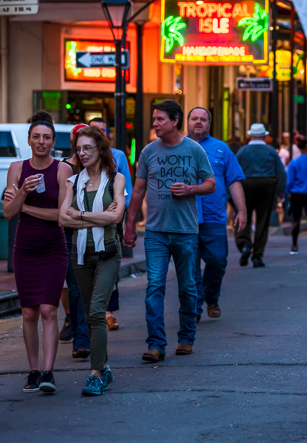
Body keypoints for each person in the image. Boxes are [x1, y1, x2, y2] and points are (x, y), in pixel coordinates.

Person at [124, 100, 215, 362]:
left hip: (186, 231)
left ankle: (186, 337)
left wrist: (190, 189)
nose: (155, 124)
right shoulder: (148, 151)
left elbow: (210, 183)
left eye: (160, 119)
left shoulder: (194, 150)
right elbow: (139, 190)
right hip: (155, 232)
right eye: (154, 119)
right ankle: (156, 344)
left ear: (175, 121)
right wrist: (130, 225)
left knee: (187, 287)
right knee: (154, 286)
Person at [3, 112, 73, 394]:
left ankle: (48, 372)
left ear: (53, 142)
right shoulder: (17, 168)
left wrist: (25, 206)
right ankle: (33, 371)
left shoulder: (62, 170)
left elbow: (62, 216)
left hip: (54, 248)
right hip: (25, 248)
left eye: (46, 137)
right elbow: (8, 213)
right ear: (29, 140)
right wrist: (22, 193)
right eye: (36, 137)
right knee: (29, 312)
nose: (41, 141)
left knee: (48, 309)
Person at [58, 126, 126, 396]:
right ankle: (105, 366)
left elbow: (116, 217)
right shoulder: (73, 182)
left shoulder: (116, 179)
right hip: (80, 253)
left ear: (100, 149)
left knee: (97, 311)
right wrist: (96, 216)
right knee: (89, 314)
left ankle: (95, 373)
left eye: (88, 148)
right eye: (79, 148)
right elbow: (63, 218)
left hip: (108, 250)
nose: (82, 153)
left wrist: (81, 216)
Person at [187, 108, 246, 319]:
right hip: (186, 218)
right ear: (187, 122)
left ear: (209, 124)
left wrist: (241, 210)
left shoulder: (222, 149)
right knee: (190, 266)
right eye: (194, 118)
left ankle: (212, 297)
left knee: (218, 261)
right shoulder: (177, 147)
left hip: (215, 217)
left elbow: (234, 180)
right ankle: (195, 307)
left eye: (203, 119)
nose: (199, 122)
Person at [88, 118, 132, 331]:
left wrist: (124, 217)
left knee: (109, 262)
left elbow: (127, 189)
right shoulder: (83, 155)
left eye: (102, 131)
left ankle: (109, 311)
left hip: (111, 218)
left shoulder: (118, 156)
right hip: (85, 218)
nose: (99, 134)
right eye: (94, 131)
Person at [58, 124, 91, 359]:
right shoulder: (66, 170)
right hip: (71, 236)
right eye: (79, 144)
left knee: (93, 291)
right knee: (76, 289)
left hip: (98, 237)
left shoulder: (103, 170)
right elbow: (63, 210)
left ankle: (88, 334)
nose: (83, 150)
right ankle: (81, 340)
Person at [235, 124, 286, 268]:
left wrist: (231, 194)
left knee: (243, 215)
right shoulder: (271, 151)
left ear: (250, 135)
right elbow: (281, 173)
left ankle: (244, 244)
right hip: (266, 185)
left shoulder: (242, 151)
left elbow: (233, 171)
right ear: (264, 136)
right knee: (262, 221)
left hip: (245, 185)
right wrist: (281, 193)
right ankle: (257, 255)